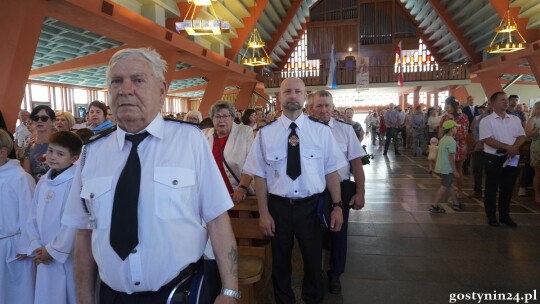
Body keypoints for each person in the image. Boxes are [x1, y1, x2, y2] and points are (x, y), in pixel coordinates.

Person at [61, 48, 238, 304]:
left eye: (138, 80)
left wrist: (230, 290)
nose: (125, 89)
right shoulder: (92, 153)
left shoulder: (189, 140)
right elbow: (84, 234)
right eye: (116, 81)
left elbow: (217, 218)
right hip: (114, 295)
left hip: (179, 291)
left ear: (162, 90)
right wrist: (84, 299)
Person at [243, 77, 346, 304]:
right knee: (280, 263)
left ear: (304, 96)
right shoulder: (264, 134)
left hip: (312, 207)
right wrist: (263, 213)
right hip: (278, 207)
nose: (292, 96)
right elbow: (259, 176)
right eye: (287, 91)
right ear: (279, 97)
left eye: (297, 92)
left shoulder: (321, 132)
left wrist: (337, 206)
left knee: (312, 260)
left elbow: (331, 172)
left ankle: (312, 299)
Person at [307, 90, 366, 295]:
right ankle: (313, 274)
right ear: (310, 108)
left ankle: (335, 275)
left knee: (338, 234)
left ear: (333, 108)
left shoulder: (345, 130)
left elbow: (356, 164)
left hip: (340, 187)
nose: (324, 110)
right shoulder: (303, 130)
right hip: (312, 190)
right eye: (319, 106)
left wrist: (360, 192)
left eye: (327, 106)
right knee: (312, 235)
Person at [25, 131, 82, 304]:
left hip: (65, 255)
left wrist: (53, 250)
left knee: (67, 293)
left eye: (60, 154)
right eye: (50, 151)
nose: (52, 157)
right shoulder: (44, 181)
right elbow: (32, 214)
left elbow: (73, 221)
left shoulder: (75, 182)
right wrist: (36, 244)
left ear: (74, 158)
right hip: (42, 250)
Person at [479, 91, 526, 227]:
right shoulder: (486, 121)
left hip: (511, 158)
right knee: (491, 188)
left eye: (506, 99)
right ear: (493, 103)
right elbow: (487, 139)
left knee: (508, 187)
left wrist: (514, 148)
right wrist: (508, 147)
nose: (506, 102)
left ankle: (505, 215)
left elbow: (522, 136)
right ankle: (491, 215)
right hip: (493, 158)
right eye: (502, 100)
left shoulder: (515, 119)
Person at [0, 129, 36, 304]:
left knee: (17, 295)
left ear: (2, 152)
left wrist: (26, 245)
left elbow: (29, 213)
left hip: (13, 247)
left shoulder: (20, 177)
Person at [203, 102, 254, 204]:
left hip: (235, 193)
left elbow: (251, 162)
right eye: (217, 116)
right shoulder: (204, 134)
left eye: (225, 116)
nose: (221, 120)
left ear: (232, 117)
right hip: (211, 195)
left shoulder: (245, 132)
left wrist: (242, 188)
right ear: (212, 118)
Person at [439, 97, 469, 198]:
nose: (445, 106)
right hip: (461, 145)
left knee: (448, 169)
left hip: (448, 144)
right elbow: (466, 132)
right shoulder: (464, 117)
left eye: (446, 104)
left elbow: (440, 134)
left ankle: (449, 190)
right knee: (459, 169)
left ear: (450, 105)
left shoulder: (445, 118)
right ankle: (460, 191)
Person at [429, 120, 461, 213]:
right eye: (455, 127)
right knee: (444, 186)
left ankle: (456, 203)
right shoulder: (451, 141)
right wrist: (455, 170)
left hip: (441, 167)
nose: (456, 129)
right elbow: (451, 157)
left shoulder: (443, 139)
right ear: (451, 129)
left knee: (449, 185)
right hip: (447, 168)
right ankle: (434, 205)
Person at [23, 105, 56, 181]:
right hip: (35, 188)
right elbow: (27, 174)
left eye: (44, 118)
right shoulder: (30, 146)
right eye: (36, 118)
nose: (39, 121)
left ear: (52, 121)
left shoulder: (60, 143)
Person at [470, 104, 491, 198]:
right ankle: (477, 190)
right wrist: (478, 141)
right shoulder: (483, 116)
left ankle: (490, 191)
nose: (489, 106)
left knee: (490, 171)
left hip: (493, 148)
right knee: (477, 169)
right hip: (481, 146)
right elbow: (475, 130)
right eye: (489, 105)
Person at [525, 101, 540, 205]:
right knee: (538, 173)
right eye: (538, 108)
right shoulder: (533, 119)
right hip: (537, 146)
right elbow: (528, 134)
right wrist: (536, 131)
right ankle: (537, 195)